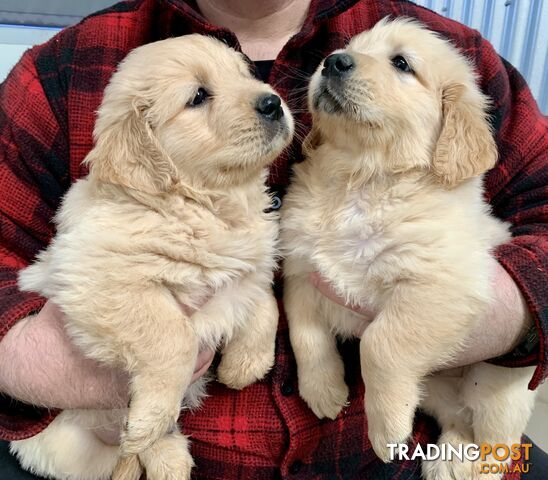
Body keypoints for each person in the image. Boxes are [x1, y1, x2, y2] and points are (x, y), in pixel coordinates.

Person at [0, 0, 546, 478]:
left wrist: (484, 310)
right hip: (138, 447)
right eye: (199, 98)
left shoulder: (461, 53)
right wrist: (53, 360)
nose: (264, 96)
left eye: (400, 66)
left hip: (405, 449)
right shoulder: (62, 69)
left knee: (503, 445)